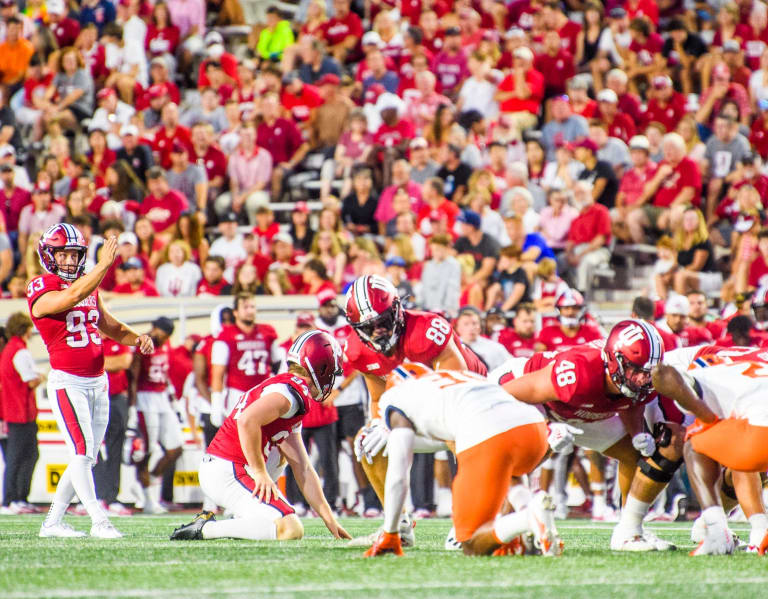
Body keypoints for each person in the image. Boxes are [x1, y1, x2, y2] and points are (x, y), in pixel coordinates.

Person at [503, 320, 687, 551]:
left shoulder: (640, 379)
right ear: (614, 360)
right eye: (635, 370)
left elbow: (632, 401)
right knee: (521, 459)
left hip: (579, 409)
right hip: (531, 397)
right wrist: (544, 428)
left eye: (647, 372)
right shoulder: (579, 371)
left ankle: (630, 531)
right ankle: (486, 525)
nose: (642, 379)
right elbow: (507, 395)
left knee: (634, 455)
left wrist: (637, 433)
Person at [28, 223, 154, 538]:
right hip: (68, 381)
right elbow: (72, 295)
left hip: (98, 381)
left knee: (87, 455)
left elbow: (110, 326)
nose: (70, 261)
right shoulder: (42, 286)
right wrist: (103, 265)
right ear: (49, 255)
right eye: (64, 254)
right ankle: (99, 520)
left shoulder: (87, 286)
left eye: (75, 254)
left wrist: (138, 338)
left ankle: (53, 522)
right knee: (82, 452)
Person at [344, 275, 489, 544]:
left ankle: (470, 520)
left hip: (470, 403)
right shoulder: (357, 350)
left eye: (383, 322)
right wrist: (381, 424)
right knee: (368, 442)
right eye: (369, 327)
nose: (378, 331)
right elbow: (377, 399)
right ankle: (397, 524)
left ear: (397, 311)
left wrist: (402, 422)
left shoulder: (426, 330)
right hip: (420, 410)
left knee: (457, 435)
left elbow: (453, 396)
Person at [170, 330, 350, 542]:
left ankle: (245, 517)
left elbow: (303, 467)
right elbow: (248, 421)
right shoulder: (293, 393)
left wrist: (328, 518)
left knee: (283, 457)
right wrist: (259, 472)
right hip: (229, 470)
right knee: (290, 529)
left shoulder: (288, 387)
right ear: (321, 367)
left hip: (224, 468)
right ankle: (205, 529)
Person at [363, 368, 558, 557]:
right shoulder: (460, 377)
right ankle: (530, 518)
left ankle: (528, 518)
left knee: (471, 543)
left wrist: (391, 532)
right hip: (534, 427)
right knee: (512, 471)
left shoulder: (396, 397)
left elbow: (398, 474)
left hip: (491, 432)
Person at [655, 345, 768, 554]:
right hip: (757, 421)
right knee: (740, 454)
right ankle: (754, 531)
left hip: (760, 434)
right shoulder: (748, 365)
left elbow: (665, 374)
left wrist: (704, 415)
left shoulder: (706, 377)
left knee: (693, 445)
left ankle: (718, 532)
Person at [128, 317, 182, 515]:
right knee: (147, 449)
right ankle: (149, 498)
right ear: (155, 329)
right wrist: (132, 407)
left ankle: (146, 483)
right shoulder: (143, 344)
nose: (165, 338)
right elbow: (133, 377)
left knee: (176, 448)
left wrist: (173, 400)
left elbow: (165, 375)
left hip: (162, 398)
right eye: (163, 333)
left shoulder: (165, 345)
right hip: (145, 398)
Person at [209, 294, 281, 427]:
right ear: (235, 312)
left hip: (263, 392)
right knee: (240, 437)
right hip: (238, 394)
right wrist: (216, 403)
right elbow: (218, 374)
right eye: (245, 307)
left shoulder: (267, 332)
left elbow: (278, 363)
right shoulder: (226, 335)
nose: (250, 311)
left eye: (252, 307)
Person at [0, 312, 42, 515]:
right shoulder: (20, 351)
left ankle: (14, 498)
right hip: (22, 412)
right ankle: (14, 499)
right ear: (26, 329)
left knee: (17, 456)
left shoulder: (9, 349)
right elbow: (30, 380)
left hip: (12, 411)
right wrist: (42, 376)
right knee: (25, 456)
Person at [560, 181, 612, 292]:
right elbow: (570, 242)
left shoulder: (601, 211)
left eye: (582, 192)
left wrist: (580, 255)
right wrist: (569, 255)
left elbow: (600, 239)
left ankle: (582, 293)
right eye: (576, 194)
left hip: (597, 250)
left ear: (590, 192)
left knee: (587, 261)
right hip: (577, 251)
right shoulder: (576, 219)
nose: (580, 196)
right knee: (560, 260)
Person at [535, 288, 603, 351]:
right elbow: (539, 360)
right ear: (559, 310)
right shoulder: (547, 332)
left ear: (581, 310)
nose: (570, 312)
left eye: (575, 308)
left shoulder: (592, 332)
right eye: (566, 308)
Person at [454, 307, 511, 372]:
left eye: (474, 323)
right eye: (466, 324)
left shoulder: (496, 347)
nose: (471, 327)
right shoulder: (452, 347)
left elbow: (510, 366)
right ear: (457, 327)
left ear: (480, 326)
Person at [420, 234, 461, 316]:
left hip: (447, 311)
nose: (435, 252)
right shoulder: (429, 265)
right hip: (429, 309)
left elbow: (453, 289)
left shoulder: (454, 265)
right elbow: (424, 287)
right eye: (433, 250)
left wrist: (448, 309)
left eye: (438, 249)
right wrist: (422, 306)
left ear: (446, 248)